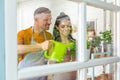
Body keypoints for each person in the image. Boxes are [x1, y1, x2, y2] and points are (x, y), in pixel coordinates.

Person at [17, 7, 52, 80]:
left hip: (42, 76)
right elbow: (17, 49)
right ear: (36, 20)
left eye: (50, 19)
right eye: (46, 20)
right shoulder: (23, 33)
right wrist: (41, 46)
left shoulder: (49, 36)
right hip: (25, 76)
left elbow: (49, 57)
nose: (50, 22)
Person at [48, 12, 76, 80]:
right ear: (57, 27)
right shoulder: (54, 44)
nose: (66, 29)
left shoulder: (74, 42)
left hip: (73, 76)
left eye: (68, 26)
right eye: (63, 26)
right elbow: (51, 68)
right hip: (60, 77)